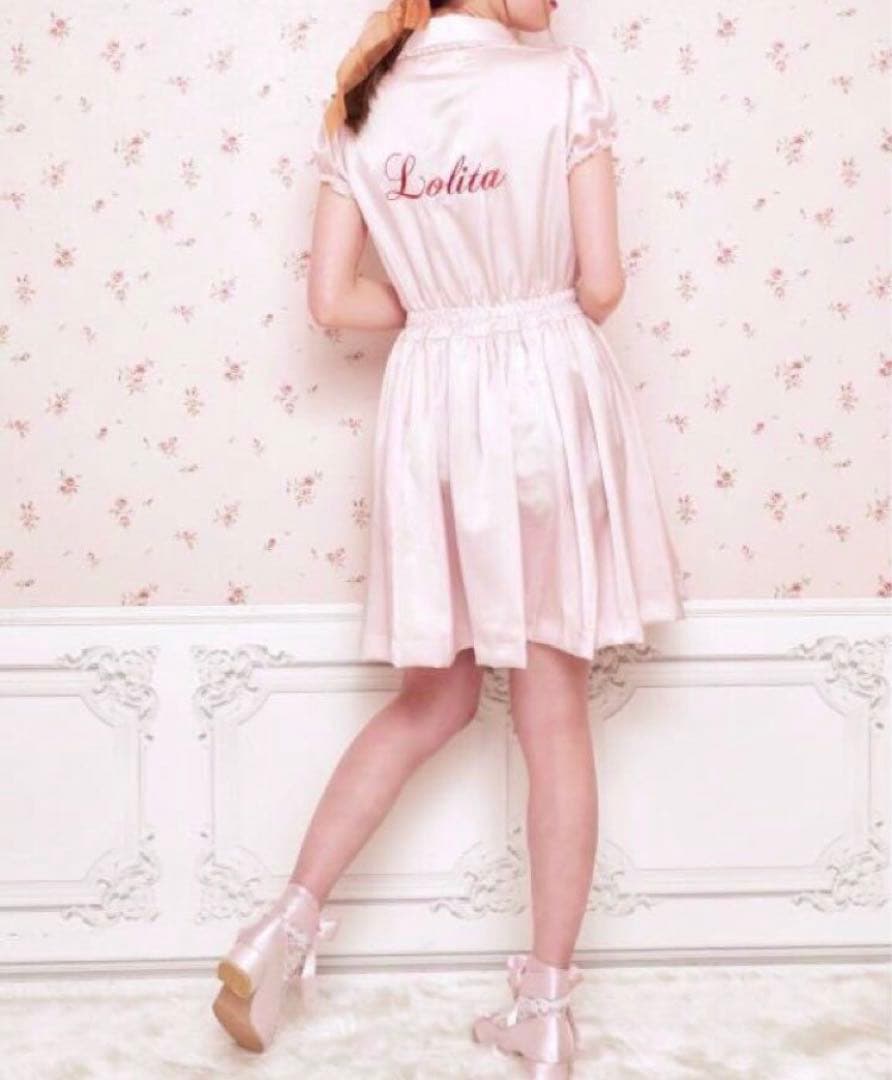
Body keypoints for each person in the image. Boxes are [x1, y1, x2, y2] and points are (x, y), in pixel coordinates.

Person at [211, 0, 685, 1075]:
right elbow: (601, 285)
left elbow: (331, 301)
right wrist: (509, 305)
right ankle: (546, 1009)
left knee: (434, 697)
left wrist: (441, 307)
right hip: (543, 394)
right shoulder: (562, 80)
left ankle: (281, 925)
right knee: (553, 712)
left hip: (431, 404)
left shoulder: (363, 100)